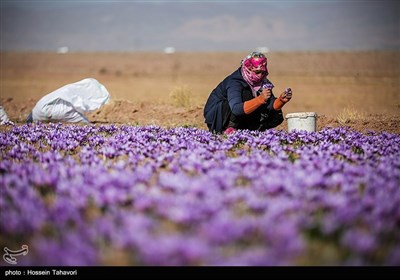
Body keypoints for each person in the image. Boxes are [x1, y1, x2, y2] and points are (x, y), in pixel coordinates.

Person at [203, 51, 292, 134]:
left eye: (262, 72)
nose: (260, 75)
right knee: (246, 95)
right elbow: (236, 109)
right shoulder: (235, 81)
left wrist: (281, 101)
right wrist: (260, 99)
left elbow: (270, 105)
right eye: (257, 72)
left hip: (241, 115)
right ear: (248, 69)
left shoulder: (263, 82)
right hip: (217, 117)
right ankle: (230, 129)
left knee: (277, 114)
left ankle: (255, 130)